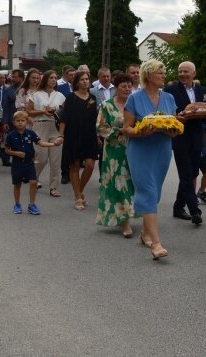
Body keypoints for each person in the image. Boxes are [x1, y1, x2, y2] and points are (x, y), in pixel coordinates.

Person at [122, 59, 177, 260]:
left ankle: (145, 233)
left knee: (156, 193)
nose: (164, 75)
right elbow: (126, 129)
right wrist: (143, 131)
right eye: (159, 73)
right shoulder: (134, 99)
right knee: (146, 191)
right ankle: (156, 243)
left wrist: (168, 129)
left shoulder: (169, 98)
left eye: (164, 72)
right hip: (140, 150)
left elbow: (175, 128)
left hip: (162, 150)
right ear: (149, 75)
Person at [163, 61, 206, 225]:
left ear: (194, 74)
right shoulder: (170, 90)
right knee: (186, 174)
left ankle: (178, 207)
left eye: (186, 71)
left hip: (197, 137)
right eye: (180, 71)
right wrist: (176, 118)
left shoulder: (202, 91)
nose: (182, 74)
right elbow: (165, 113)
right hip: (179, 137)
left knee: (193, 173)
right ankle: (194, 210)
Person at [96, 73, 137, 238]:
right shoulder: (106, 105)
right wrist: (119, 131)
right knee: (119, 184)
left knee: (132, 183)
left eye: (129, 86)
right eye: (123, 86)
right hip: (114, 151)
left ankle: (127, 214)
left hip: (134, 149)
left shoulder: (135, 104)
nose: (127, 89)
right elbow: (100, 128)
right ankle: (125, 221)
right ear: (116, 87)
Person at [5, 111, 62, 215]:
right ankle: (17, 204)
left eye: (23, 121)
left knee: (33, 183)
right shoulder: (11, 135)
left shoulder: (31, 133)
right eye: (18, 121)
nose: (20, 123)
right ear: (14, 122)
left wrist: (53, 144)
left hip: (29, 163)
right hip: (17, 164)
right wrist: (15, 153)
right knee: (17, 184)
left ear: (27, 122)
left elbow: (40, 142)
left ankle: (32, 204)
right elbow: (7, 150)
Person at [59, 70, 98, 211]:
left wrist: (98, 136)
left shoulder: (93, 97)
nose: (85, 81)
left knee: (90, 165)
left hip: (90, 135)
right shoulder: (71, 97)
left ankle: (79, 190)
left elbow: (96, 118)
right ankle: (78, 197)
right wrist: (61, 135)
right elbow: (65, 118)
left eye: (87, 79)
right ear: (76, 82)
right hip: (73, 135)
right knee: (74, 166)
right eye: (82, 79)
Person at [27, 70, 66, 197]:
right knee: (41, 158)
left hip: (55, 126)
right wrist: (42, 111)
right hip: (40, 125)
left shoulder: (60, 96)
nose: (54, 80)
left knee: (55, 160)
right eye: (51, 78)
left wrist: (61, 133)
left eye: (55, 78)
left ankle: (54, 187)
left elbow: (64, 114)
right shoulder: (36, 94)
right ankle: (35, 178)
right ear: (46, 79)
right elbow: (29, 112)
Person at [1, 69, 24, 167]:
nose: (12, 79)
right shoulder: (8, 90)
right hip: (11, 120)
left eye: (15, 77)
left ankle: (21, 159)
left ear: (22, 78)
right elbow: (5, 107)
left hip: (25, 120)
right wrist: (5, 122)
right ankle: (5, 159)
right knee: (10, 140)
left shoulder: (27, 89)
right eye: (12, 76)